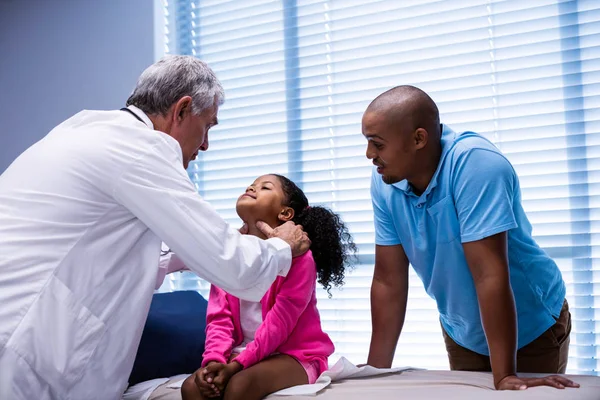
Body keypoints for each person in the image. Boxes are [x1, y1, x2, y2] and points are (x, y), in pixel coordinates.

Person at [0, 56, 310, 400]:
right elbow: (234, 268)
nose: (205, 144)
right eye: (208, 125)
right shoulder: (143, 150)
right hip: (23, 347)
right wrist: (282, 246)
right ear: (182, 110)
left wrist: (194, 253)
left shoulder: (86, 129)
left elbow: (114, 252)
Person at [362, 85, 580, 391]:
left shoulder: (476, 164)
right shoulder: (385, 179)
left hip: (530, 325)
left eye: (377, 144)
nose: (369, 155)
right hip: (462, 330)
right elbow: (388, 280)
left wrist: (504, 376)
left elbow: (489, 274)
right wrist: (374, 372)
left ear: (418, 139)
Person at [181, 174, 357, 400]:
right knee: (192, 388)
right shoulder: (229, 256)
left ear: (285, 213)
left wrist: (236, 366)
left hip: (294, 355)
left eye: (264, 187)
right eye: (252, 185)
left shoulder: (300, 260)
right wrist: (214, 361)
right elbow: (219, 320)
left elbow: (280, 323)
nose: (252, 188)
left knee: (240, 386)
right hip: (243, 352)